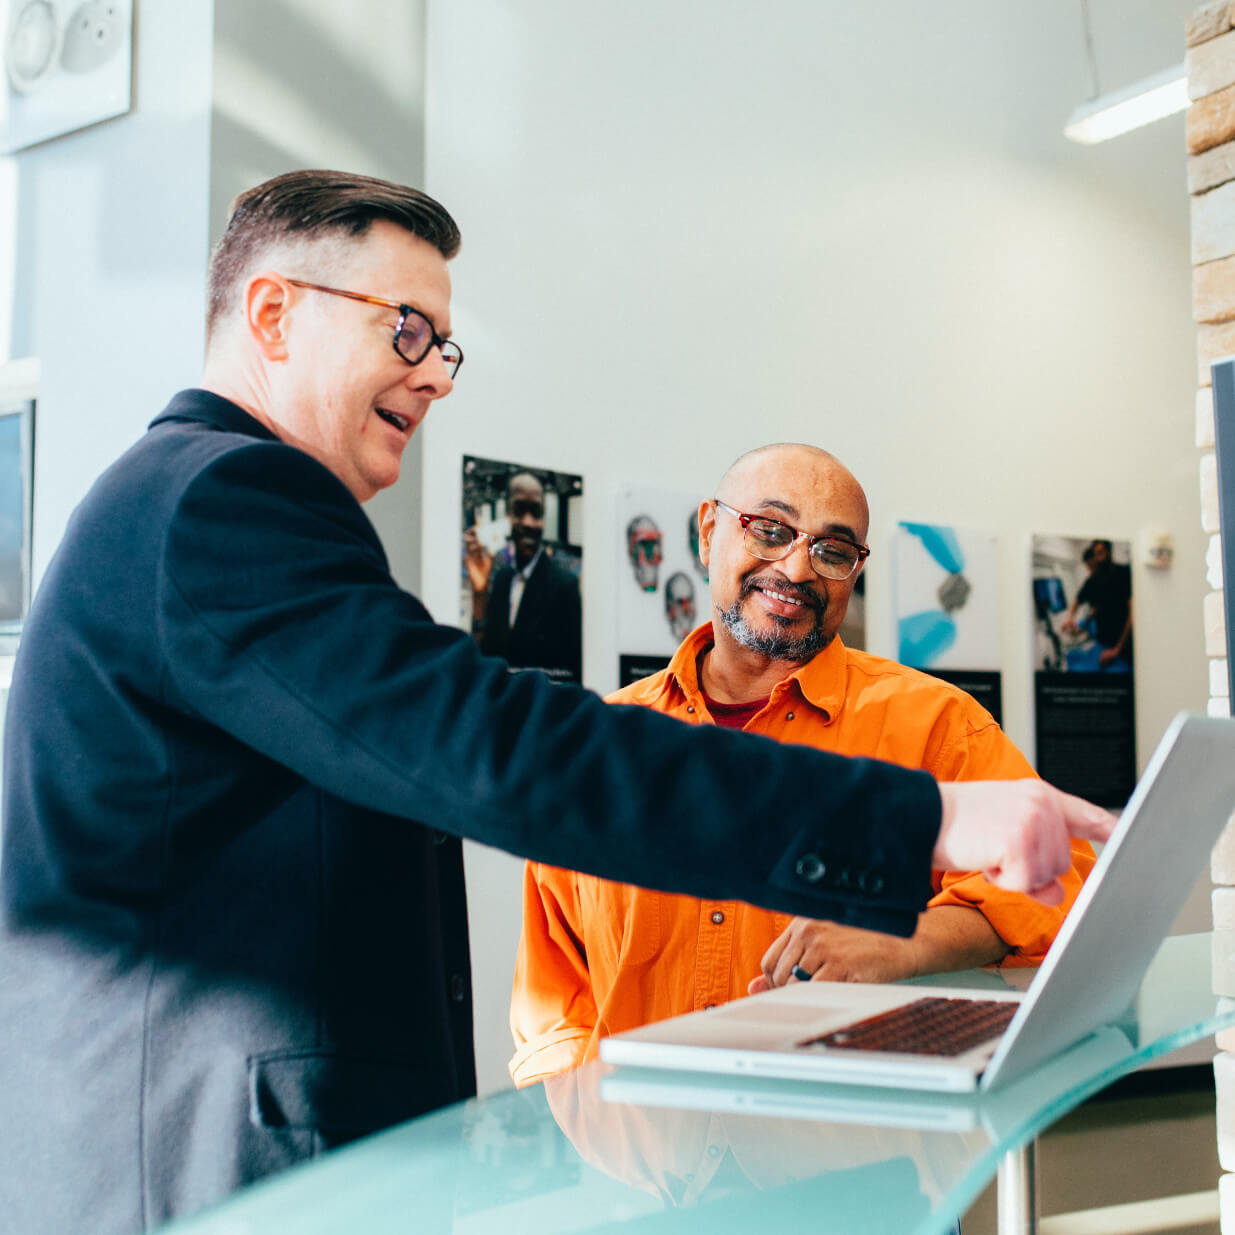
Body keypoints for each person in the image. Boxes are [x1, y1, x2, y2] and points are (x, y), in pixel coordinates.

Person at [0, 171, 1110, 1235]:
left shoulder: (193, 499)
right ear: (273, 312)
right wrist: (920, 818)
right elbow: (492, 749)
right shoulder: (223, 498)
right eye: (405, 330)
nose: (434, 374)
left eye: (444, 347)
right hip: (206, 1171)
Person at [509, 445, 1096, 1086]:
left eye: (833, 551)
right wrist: (588, 1141)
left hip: (851, 1158)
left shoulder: (936, 725)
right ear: (709, 531)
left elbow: (1065, 879)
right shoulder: (605, 745)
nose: (796, 567)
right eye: (770, 529)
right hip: (642, 1164)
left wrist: (905, 941)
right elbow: (553, 1000)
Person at [463, 470, 582, 683]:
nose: (528, 522)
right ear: (508, 515)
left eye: (536, 513)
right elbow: (485, 657)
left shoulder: (564, 586)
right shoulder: (501, 579)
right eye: (519, 510)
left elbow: (572, 675)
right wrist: (479, 594)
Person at [1061, 538, 1133, 671]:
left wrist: (1117, 649)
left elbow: (1132, 614)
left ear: (1109, 552)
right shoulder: (1093, 580)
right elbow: (1078, 599)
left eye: (1101, 553)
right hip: (1103, 642)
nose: (1098, 558)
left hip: (1123, 645)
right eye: (1096, 554)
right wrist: (1071, 617)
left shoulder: (1123, 573)